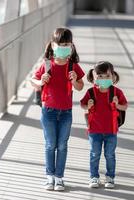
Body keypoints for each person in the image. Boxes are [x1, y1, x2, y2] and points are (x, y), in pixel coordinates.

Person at [31, 27, 85, 191]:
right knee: (50, 145)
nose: (63, 46)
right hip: (48, 112)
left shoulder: (72, 66)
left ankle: (59, 178)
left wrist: (75, 80)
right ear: (53, 45)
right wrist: (41, 81)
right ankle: (49, 177)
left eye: (67, 44)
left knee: (62, 145)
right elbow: (33, 80)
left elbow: (80, 87)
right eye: (60, 44)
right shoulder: (47, 64)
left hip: (66, 112)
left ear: (71, 46)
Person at [80, 61, 128, 189]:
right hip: (94, 130)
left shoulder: (117, 92)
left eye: (107, 76)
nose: (104, 79)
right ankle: (94, 177)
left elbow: (125, 106)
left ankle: (110, 177)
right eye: (100, 76)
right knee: (94, 154)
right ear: (94, 77)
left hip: (111, 130)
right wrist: (87, 105)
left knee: (110, 155)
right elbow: (82, 104)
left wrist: (117, 105)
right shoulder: (91, 92)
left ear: (113, 76)